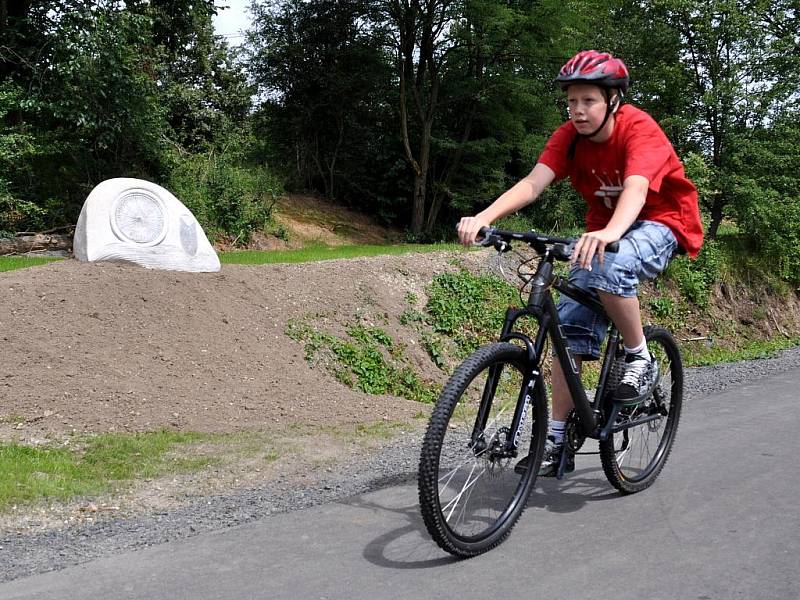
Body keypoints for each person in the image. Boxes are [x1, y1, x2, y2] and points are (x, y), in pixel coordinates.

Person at [457, 50, 703, 477]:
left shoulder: (639, 129)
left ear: (613, 100)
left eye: (587, 100)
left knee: (612, 265)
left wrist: (610, 233)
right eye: (571, 101)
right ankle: (556, 439)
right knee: (568, 336)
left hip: (661, 223)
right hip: (602, 231)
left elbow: (637, 189)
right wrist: (485, 218)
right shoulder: (568, 137)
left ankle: (639, 356)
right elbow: (534, 183)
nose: (577, 110)